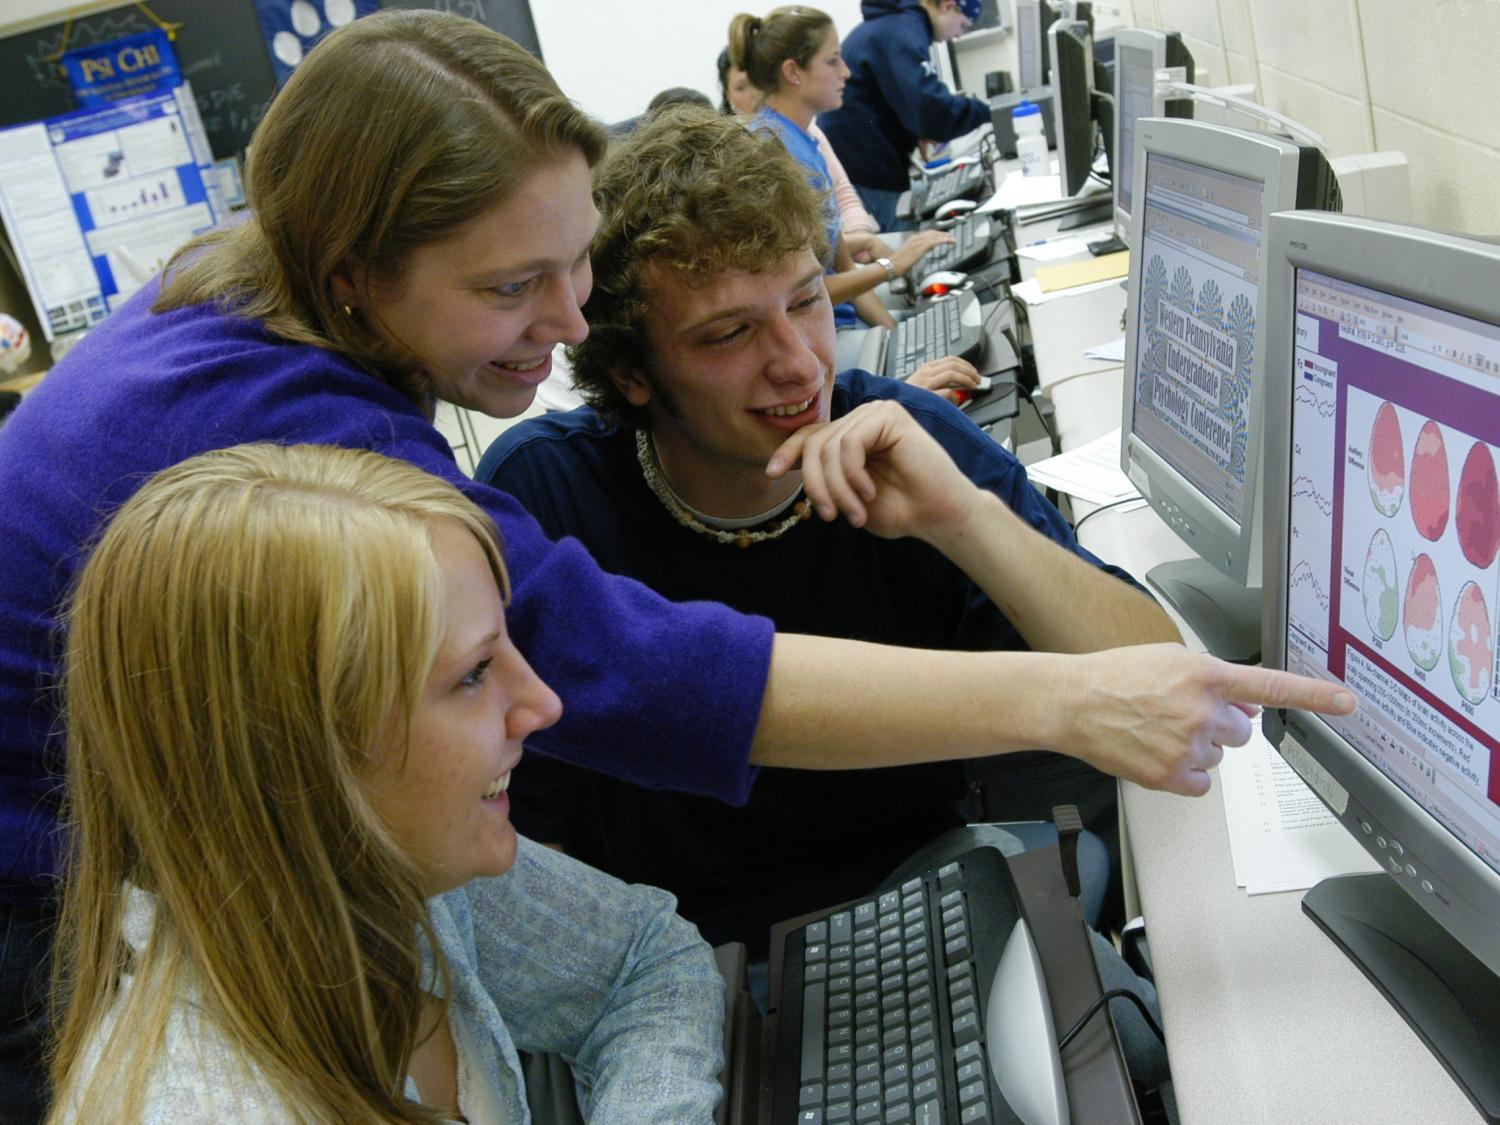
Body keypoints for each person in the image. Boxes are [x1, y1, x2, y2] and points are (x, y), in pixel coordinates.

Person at [0, 10, 1353, 1115]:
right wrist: (1056, 704)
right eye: (512, 286)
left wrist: (967, 523)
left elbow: (620, 948)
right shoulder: (306, 437)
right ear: (357, 276)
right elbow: (631, 672)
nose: (566, 317)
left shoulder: (260, 294)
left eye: (575, 263)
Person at [477, 104, 1178, 952]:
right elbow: (528, 826)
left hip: (918, 899)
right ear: (630, 372)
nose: (801, 362)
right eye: (730, 333)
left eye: (806, 300)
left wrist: (965, 519)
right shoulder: (546, 496)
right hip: (690, 957)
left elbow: (1159, 672)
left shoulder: (900, 437)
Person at [46, 442, 723, 1122]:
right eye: (473, 672)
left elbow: (640, 961)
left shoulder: (394, 875)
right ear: (299, 758)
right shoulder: (200, 1103)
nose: (542, 703)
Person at [728, 6, 955, 337]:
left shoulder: (803, 141)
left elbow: (843, 268)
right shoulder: (777, 160)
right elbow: (799, 296)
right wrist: (892, 266)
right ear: (793, 72)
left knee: (940, 334)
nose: (846, 72)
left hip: (842, 320)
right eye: (833, 60)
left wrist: (896, 338)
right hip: (818, 338)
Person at [818, 0, 993, 231]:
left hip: (858, 148)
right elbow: (931, 108)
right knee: (906, 235)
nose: (959, 35)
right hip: (865, 158)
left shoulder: (899, 24)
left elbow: (903, 96)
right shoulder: (904, 29)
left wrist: (917, 130)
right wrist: (987, 111)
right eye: (963, 26)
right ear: (949, 6)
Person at [718, 43, 891, 266]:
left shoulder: (805, 131)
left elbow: (842, 193)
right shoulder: (733, 153)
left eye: (757, 84)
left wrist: (861, 239)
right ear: (727, 94)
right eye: (741, 88)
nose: (753, 96)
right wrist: (862, 248)